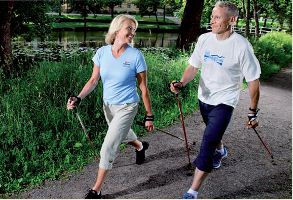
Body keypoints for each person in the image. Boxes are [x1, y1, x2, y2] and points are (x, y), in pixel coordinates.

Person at [170, 1, 261, 199]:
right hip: (204, 98)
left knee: (207, 142)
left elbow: (253, 81)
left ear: (232, 20)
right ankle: (221, 150)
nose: (212, 20)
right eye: (212, 16)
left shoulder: (242, 46)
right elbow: (193, 67)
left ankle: (192, 191)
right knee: (214, 135)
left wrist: (252, 112)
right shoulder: (204, 39)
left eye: (217, 17)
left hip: (225, 102)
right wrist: (182, 83)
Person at [67, 14, 154, 199]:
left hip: (128, 106)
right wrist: (79, 97)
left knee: (108, 147)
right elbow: (93, 80)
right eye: (129, 28)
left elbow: (143, 88)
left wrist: (149, 114)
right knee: (123, 134)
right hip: (108, 106)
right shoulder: (102, 52)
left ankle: (96, 190)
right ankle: (140, 146)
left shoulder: (136, 55)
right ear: (116, 30)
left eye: (134, 29)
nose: (133, 32)